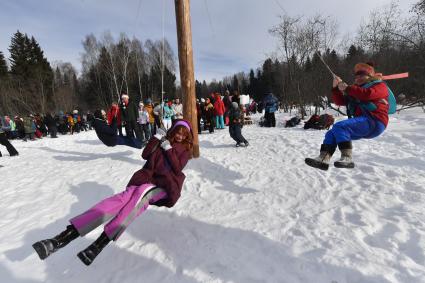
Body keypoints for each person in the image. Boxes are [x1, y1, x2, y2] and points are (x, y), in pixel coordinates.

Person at [32, 119, 194, 266]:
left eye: (183, 134)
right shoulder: (163, 141)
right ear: (173, 130)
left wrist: (169, 149)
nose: (179, 136)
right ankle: (62, 238)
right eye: (178, 132)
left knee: (142, 194)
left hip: (164, 187)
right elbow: (145, 154)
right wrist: (156, 139)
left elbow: (177, 167)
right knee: (120, 200)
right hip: (145, 180)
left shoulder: (185, 150)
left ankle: (99, 243)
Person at [305, 62, 391, 170]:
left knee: (340, 126)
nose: (358, 78)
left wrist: (347, 88)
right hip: (363, 123)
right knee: (332, 133)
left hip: (375, 121)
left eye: (362, 75)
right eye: (357, 76)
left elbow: (367, 94)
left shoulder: (380, 86)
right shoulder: (356, 89)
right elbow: (340, 101)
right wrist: (336, 88)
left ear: (370, 76)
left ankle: (347, 158)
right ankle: (323, 159)